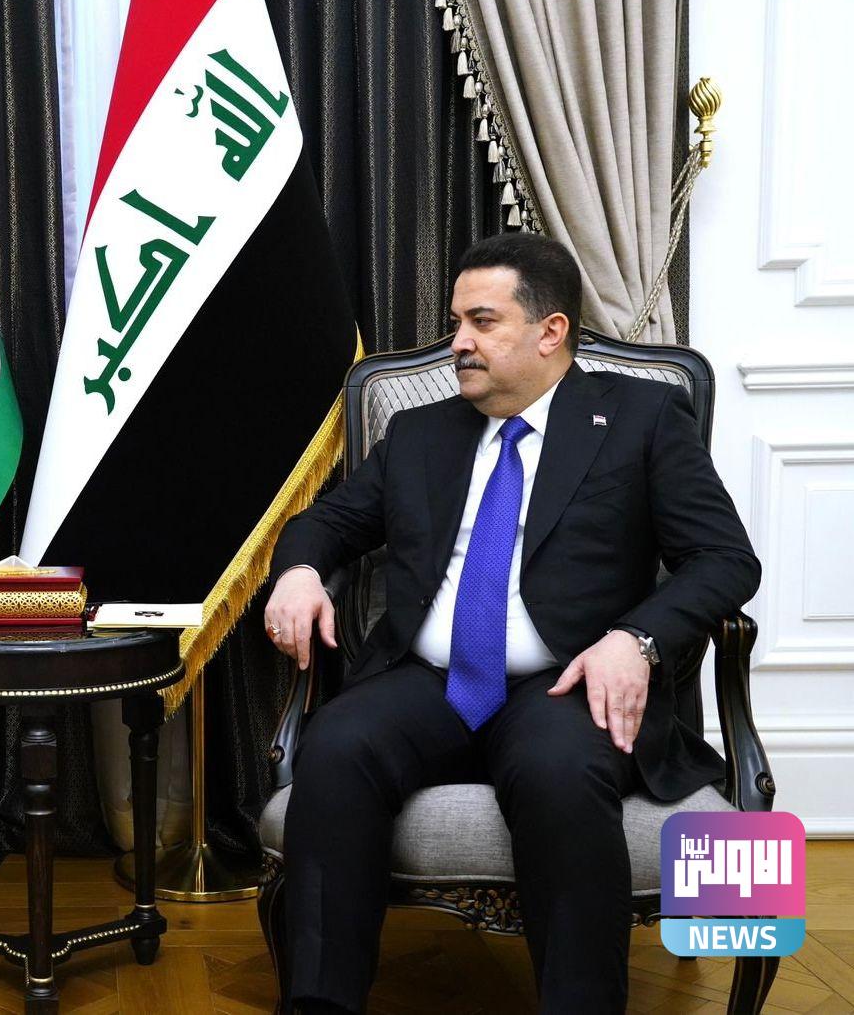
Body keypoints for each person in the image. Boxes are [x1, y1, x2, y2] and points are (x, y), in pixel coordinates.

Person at [263, 233, 759, 1013]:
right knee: (337, 744)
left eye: (482, 321)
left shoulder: (642, 418)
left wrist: (636, 640)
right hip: (428, 682)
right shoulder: (419, 434)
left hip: (566, 684)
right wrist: (298, 573)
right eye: (456, 322)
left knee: (562, 772)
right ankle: (320, 1004)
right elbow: (326, 524)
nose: (458, 342)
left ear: (550, 331)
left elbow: (725, 559)